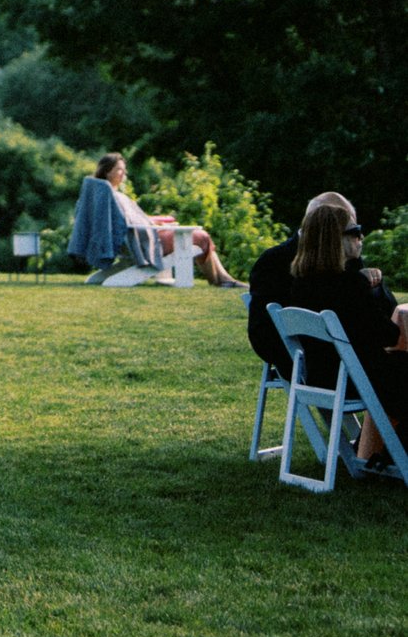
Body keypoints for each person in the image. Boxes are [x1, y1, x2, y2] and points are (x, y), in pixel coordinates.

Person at [247, 192, 408, 466]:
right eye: (355, 232)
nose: (361, 238)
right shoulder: (346, 284)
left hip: (324, 372)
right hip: (347, 375)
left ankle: (378, 451)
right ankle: (389, 452)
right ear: (335, 237)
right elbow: (388, 333)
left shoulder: (301, 284)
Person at [71, 152, 237, 285]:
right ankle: (219, 280)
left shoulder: (103, 197)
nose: (124, 174)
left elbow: (126, 220)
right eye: (120, 170)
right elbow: (128, 222)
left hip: (132, 240)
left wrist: (157, 220)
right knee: (201, 237)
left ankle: (223, 278)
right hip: (142, 243)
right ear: (108, 172)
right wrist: (152, 222)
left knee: (197, 237)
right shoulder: (113, 196)